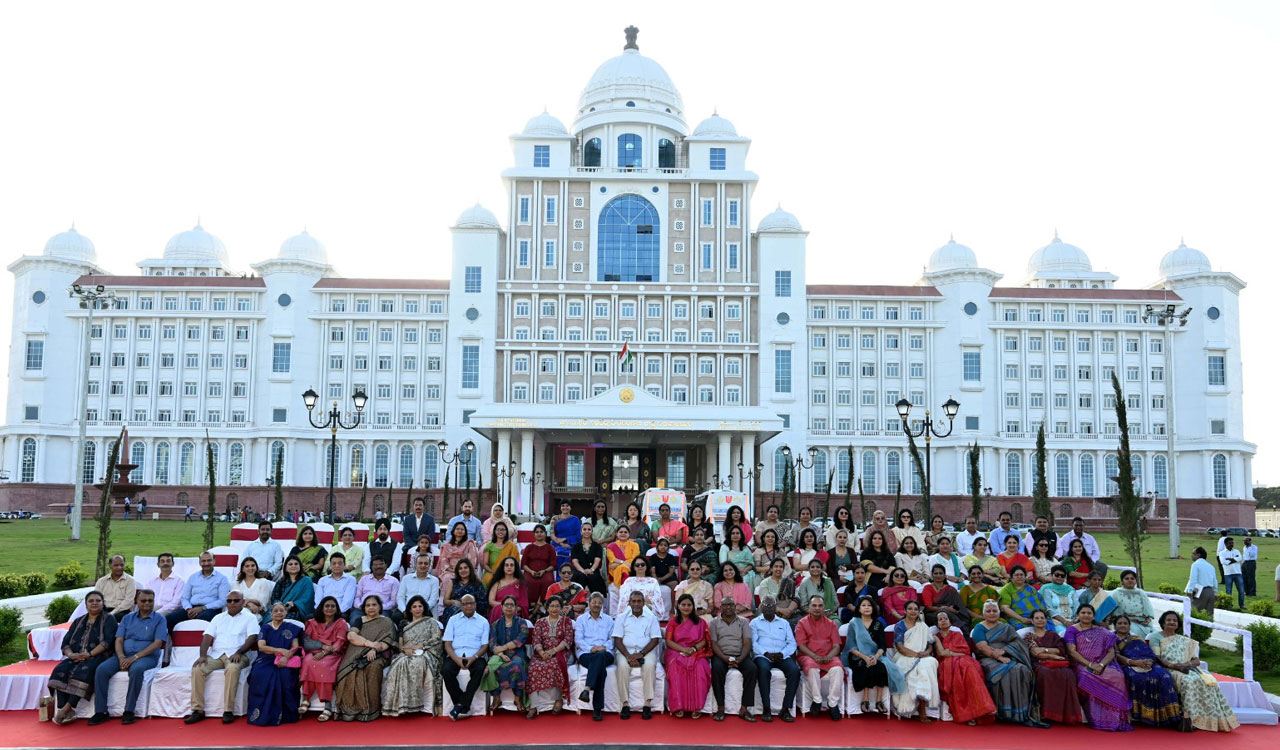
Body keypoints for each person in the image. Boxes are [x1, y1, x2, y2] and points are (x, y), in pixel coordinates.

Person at [1150, 611, 1240, 732]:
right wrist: (1175, 666)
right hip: (1168, 668)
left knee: (1208, 681)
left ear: (1178, 624)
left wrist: (1186, 665)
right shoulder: (1156, 637)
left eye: (1175, 620)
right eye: (1169, 620)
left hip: (1186, 668)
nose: (1172, 622)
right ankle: (1190, 719)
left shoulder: (1183, 640)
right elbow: (1157, 658)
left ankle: (1209, 719)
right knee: (1189, 681)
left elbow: (1196, 660)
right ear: (1162, 622)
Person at [88, 589, 167, 726]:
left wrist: (134, 657)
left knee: (136, 670)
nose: (147, 603)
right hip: (123, 655)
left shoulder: (159, 619)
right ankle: (101, 711)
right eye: (143, 600)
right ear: (137, 601)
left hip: (146, 657)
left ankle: (129, 710)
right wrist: (121, 657)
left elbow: (157, 643)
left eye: (150, 601)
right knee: (101, 669)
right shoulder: (127, 618)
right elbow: (119, 640)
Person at [184, 591, 259, 724]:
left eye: (236, 600)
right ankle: (198, 710)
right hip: (217, 655)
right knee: (198, 668)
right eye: (229, 601)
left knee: (232, 668)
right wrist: (202, 655)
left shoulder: (250, 618)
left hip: (238, 655)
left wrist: (239, 652)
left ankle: (228, 710)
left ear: (243, 602)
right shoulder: (218, 618)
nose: (232, 603)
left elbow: (252, 637)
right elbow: (207, 637)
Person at [971, 600, 1045, 728]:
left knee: (1022, 670)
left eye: (994, 610)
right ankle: (1003, 713)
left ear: (999, 613)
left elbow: (1018, 643)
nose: (992, 613)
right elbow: (983, 647)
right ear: (983, 614)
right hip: (988, 659)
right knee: (1004, 671)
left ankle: (1019, 713)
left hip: (1008, 655)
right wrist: (999, 657)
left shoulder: (1006, 627)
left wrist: (1004, 651)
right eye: (988, 611)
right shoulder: (979, 628)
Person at [48, 591, 118, 725]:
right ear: (86, 605)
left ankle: (67, 708)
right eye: (91, 601)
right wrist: (71, 655)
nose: (94, 603)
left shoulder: (109, 619)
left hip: (98, 656)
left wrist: (89, 654)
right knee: (60, 670)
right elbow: (66, 642)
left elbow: (107, 642)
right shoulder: (78, 621)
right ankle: (64, 708)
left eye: (98, 601)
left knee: (84, 671)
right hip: (76, 656)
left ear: (103, 603)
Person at [1065, 603, 1132, 732]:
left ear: (1093, 616)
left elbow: (1111, 652)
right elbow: (1072, 651)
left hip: (1103, 663)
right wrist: (1090, 664)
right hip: (1082, 664)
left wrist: (1101, 665)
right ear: (1077, 614)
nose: (1086, 615)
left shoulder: (1102, 631)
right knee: (1088, 676)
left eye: (1089, 613)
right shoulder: (1072, 630)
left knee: (1117, 676)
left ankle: (1116, 719)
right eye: (1083, 613)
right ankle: (1098, 719)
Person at [1113, 614, 1184, 729]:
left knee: (1164, 675)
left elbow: (1148, 652)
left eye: (1125, 623)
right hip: (1127, 664)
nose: (1123, 625)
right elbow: (1116, 656)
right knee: (1137, 677)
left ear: (1129, 626)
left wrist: (1149, 662)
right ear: (1115, 626)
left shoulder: (1136, 638)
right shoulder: (1112, 638)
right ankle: (1146, 715)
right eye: (1119, 623)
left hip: (1147, 662)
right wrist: (1134, 662)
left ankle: (1171, 716)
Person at [333, 595, 395, 722]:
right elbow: (351, 636)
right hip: (356, 651)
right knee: (348, 671)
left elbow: (387, 641)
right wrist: (370, 644)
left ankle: (370, 710)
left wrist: (374, 649)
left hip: (379, 654)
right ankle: (348, 709)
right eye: (368, 605)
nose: (371, 607)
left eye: (374, 605)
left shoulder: (387, 622)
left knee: (373, 667)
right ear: (364, 608)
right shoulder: (359, 620)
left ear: (380, 607)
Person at [933, 610, 995, 725]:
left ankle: (981, 709)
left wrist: (951, 653)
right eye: (940, 619)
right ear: (937, 624)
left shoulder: (957, 634)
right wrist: (954, 654)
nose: (943, 621)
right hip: (946, 664)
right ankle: (973, 712)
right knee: (962, 672)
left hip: (964, 660)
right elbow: (941, 653)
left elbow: (965, 651)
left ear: (950, 622)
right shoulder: (936, 637)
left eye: (945, 618)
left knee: (969, 669)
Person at [246, 602, 302, 726]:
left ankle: (287, 715)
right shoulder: (265, 627)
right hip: (266, 659)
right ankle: (262, 714)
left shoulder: (292, 628)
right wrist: (279, 650)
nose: (278, 613)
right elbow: (261, 646)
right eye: (275, 611)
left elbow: (295, 647)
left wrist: (285, 658)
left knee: (286, 674)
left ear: (286, 613)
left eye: (281, 610)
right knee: (259, 674)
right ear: (271, 614)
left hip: (286, 659)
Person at [1024, 608, 1083, 725]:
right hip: (1038, 663)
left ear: (1046, 620)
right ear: (1032, 621)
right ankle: (1046, 714)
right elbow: (1036, 653)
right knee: (1045, 673)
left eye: (1042, 618)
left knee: (1068, 674)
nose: (1040, 620)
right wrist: (1053, 655)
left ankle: (1066, 714)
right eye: (1037, 618)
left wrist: (1045, 650)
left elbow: (1060, 650)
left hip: (1057, 663)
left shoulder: (1053, 635)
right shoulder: (1029, 636)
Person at [612, 590, 661, 719]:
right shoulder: (621, 617)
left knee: (649, 666)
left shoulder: (651, 618)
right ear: (629, 603)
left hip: (645, 651)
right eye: (634, 601)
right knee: (622, 666)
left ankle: (647, 704)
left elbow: (655, 640)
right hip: (625, 651)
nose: (636, 604)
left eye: (639, 601)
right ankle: (625, 704)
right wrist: (628, 656)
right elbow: (618, 640)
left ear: (644, 603)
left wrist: (641, 654)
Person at [751, 597, 801, 722]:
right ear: (761, 607)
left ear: (775, 608)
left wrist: (782, 654)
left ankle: (786, 709)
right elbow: (753, 643)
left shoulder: (784, 623)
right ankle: (766, 708)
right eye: (766, 606)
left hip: (781, 655)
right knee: (763, 670)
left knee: (795, 671)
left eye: (771, 606)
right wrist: (765, 653)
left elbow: (792, 643)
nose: (768, 609)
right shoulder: (754, 623)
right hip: (763, 655)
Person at [842, 595, 894, 714]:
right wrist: (865, 657)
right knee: (866, 667)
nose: (866, 608)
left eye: (869, 605)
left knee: (881, 668)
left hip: (875, 656)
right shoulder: (854, 623)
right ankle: (865, 700)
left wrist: (875, 656)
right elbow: (851, 646)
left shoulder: (878, 624)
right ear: (859, 608)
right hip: (857, 656)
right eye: (863, 605)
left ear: (873, 608)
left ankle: (879, 701)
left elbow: (882, 645)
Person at [709, 593, 757, 722]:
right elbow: (714, 643)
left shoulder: (743, 621)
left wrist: (740, 659)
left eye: (730, 605)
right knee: (716, 669)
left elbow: (747, 642)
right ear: (720, 607)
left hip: (740, 655)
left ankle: (744, 708)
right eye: (725, 605)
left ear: (735, 607)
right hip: (721, 655)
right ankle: (720, 707)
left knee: (752, 669)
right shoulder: (714, 622)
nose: (728, 607)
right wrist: (724, 658)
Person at [795, 595, 843, 721]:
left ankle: (833, 703)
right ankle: (817, 700)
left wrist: (829, 656)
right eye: (814, 605)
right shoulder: (802, 623)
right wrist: (814, 656)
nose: (817, 608)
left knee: (838, 669)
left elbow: (836, 646)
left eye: (820, 605)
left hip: (828, 655)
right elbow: (801, 645)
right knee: (812, 667)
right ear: (809, 608)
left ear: (824, 608)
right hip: (808, 656)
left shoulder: (831, 624)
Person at [890, 600, 939, 723]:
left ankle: (922, 707)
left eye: (915, 609)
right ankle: (916, 707)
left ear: (918, 612)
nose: (913, 611)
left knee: (930, 662)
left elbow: (930, 645)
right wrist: (916, 655)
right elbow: (900, 647)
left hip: (922, 656)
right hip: (904, 657)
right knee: (919, 670)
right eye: (910, 609)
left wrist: (926, 653)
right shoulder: (900, 626)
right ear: (905, 611)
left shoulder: (923, 626)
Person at [663, 593, 711, 718]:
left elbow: (704, 640)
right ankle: (678, 706)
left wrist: (693, 649)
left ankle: (697, 706)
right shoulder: (673, 622)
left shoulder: (700, 622)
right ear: (678, 606)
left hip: (696, 651)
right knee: (676, 667)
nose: (686, 607)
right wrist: (683, 649)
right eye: (683, 605)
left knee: (699, 667)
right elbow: (669, 641)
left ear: (693, 606)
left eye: (689, 605)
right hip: (676, 650)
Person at [300, 596, 348, 719]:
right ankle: (306, 699)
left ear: (337, 609)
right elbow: (306, 642)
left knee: (324, 665)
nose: (329, 608)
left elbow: (339, 644)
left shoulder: (341, 623)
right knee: (308, 661)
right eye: (327, 606)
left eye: (333, 606)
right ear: (321, 608)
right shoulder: (312, 622)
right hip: (315, 651)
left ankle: (327, 706)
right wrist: (322, 646)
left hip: (333, 654)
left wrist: (325, 652)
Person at [526, 595, 574, 717]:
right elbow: (536, 639)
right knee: (532, 667)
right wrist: (541, 652)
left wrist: (553, 651)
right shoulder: (540, 622)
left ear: (561, 608)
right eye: (552, 606)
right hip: (541, 653)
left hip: (560, 652)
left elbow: (568, 640)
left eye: (557, 606)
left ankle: (559, 699)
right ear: (547, 608)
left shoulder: (566, 621)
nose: (554, 609)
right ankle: (534, 705)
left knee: (555, 664)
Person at [484, 595, 529, 714]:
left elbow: (520, 639)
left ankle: (518, 698)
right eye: (506, 605)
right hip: (500, 655)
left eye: (511, 605)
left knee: (517, 665)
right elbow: (492, 643)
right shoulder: (496, 624)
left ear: (516, 607)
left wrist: (502, 648)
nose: (509, 607)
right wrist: (501, 654)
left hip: (517, 653)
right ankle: (496, 698)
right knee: (491, 666)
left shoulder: (521, 622)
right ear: (502, 607)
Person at [574, 593, 614, 721]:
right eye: (594, 602)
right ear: (589, 603)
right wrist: (591, 649)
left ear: (602, 605)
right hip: (586, 653)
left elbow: (612, 639)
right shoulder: (581, 620)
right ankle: (597, 708)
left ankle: (587, 688)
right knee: (600, 667)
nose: (597, 605)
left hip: (605, 652)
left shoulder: (609, 620)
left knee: (600, 657)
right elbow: (578, 640)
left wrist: (603, 647)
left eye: (599, 602)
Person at [182, 551, 232, 623]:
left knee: (201, 618)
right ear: (200, 563)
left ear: (214, 561)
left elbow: (223, 601)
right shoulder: (193, 577)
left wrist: (203, 608)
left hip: (211, 609)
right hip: (191, 608)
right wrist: (188, 609)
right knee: (170, 618)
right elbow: (185, 598)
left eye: (209, 560)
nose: (206, 563)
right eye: (203, 561)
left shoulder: (222, 578)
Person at [353, 557, 400, 625]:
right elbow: (357, 597)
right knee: (354, 621)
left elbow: (394, 602)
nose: (378, 566)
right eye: (375, 564)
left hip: (383, 610)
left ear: (386, 566)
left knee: (382, 624)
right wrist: (361, 606)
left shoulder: (393, 581)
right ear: (371, 567)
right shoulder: (364, 579)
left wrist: (378, 607)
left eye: (381, 564)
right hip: (362, 609)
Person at [1110, 570, 1156, 639]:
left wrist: (1147, 620)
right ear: (1122, 581)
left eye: (1132, 578)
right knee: (1133, 632)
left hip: (1143, 622)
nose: (1130, 580)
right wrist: (1131, 619)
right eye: (1127, 579)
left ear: (1135, 581)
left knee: (1156, 634)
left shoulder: (1141, 592)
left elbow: (1148, 610)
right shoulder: (1116, 593)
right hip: (1126, 622)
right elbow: (1115, 614)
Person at [617, 556, 666, 620]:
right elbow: (625, 596)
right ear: (634, 567)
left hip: (649, 607)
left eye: (642, 564)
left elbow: (657, 596)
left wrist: (646, 601)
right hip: (632, 606)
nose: (640, 566)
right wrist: (642, 600)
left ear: (646, 566)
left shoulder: (653, 581)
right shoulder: (629, 581)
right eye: (637, 565)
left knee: (646, 607)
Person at [436, 522, 481, 590]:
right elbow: (443, 560)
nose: (459, 531)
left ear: (465, 532)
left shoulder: (469, 544)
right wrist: (452, 570)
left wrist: (462, 570)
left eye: (462, 529)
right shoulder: (447, 546)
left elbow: (473, 560)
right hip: (451, 571)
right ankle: (447, 597)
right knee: (447, 578)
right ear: (453, 531)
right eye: (457, 529)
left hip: (466, 570)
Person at [521, 524, 557, 610]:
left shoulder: (550, 548)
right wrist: (531, 571)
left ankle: (545, 604)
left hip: (546, 572)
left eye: (541, 532)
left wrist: (544, 571)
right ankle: (530, 606)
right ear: (534, 534)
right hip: (530, 571)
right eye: (537, 532)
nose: (539, 534)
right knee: (528, 581)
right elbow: (523, 564)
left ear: (545, 533)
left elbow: (553, 565)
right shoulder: (529, 547)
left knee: (548, 580)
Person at [270, 556, 315, 623]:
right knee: (270, 621)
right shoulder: (281, 582)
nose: (293, 566)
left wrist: (294, 604)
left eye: (296, 564)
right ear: (285, 568)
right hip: (280, 609)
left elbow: (307, 599)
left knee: (289, 619)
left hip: (297, 611)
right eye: (290, 564)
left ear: (300, 566)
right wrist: (280, 605)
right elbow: (274, 597)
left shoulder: (306, 581)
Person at [921, 563, 967, 629]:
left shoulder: (951, 589)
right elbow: (929, 608)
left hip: (951, 614)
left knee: (949, 615)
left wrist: (951, 609)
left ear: (944, 575)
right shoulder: (928, 588)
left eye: (941, 573)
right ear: (932, 575)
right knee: (945, 614)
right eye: (936, 573)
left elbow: (958, 609)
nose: (938, 575)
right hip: (933, 615)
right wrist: (943, 608)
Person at [442, 559, 488, 623]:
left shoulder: (477, 583)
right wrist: (453, 602)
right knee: (457, 612)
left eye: (465, 568)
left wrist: (468, 606)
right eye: (460, 568)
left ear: (470, 569)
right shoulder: (452, 582)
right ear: (457, 571)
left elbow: (482, 603)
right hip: (454, 610)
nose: (463, 570)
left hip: (472, 610)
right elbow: (445, 601)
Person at [148, 553, 187, 630]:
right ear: (158, 565)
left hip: (170, 612)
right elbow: (146, 599)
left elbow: (176, 603)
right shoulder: (151, 582)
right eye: (162, 561)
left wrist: (156, 614)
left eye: (168, 561)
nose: (165, 563)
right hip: (152, 610)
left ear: (173, 564)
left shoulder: (179, 581)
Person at [399, 552, 442, 619]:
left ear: (429, 566)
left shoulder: (434, 580)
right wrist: (404, 610)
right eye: (420, 563)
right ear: (415, 565)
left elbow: (433, 600)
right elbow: (400, 597)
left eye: (426, 563)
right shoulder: (406, 578)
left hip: (425, 610)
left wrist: (420, 610)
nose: (423, 565)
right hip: (407, 610)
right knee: (396, 617)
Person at [315, 553, 357, 620]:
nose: (337, 566)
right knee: (309, 618)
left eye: (340, 563)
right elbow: (318, 600)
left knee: (342, 618)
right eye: (334, 563)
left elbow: (347, 602)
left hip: (341, 612)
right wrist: (323, 612)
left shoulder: (350, 580)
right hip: (323, 611)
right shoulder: (322, 580)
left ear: (344, 565)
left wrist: (335, 613)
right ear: (330, 565)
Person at [486, 556, 528, 623]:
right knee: (498, 610)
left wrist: (511, 608)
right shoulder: (497, 583)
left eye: (511, 565)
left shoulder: (520, 584)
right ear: (503, 567)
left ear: (515, 567)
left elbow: (524, 604)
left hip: (515, 612)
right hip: (498, 611)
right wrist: (505, 606)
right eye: (507, 565)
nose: (509, 567)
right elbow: (491, 601)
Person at [95, 554, 137, 622]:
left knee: (110, 620)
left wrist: (112, 613)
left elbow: (128, 601)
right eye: (116, 565)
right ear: (110, 566)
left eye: (122, 565)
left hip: (123, 611)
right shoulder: (102, 581)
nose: (119, 567)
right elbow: (96, 598)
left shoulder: (130, 581)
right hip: (104, 610)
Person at [721, 524, 759, 593]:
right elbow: (723, 563)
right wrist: (737, 569)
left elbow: (751, 563)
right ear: (729, 535)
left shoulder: (745, 548)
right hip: (730, 572)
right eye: (733, 533)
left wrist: (745, 570)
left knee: (750, 578)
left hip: (746, 572)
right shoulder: (724, 547)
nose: (735, 535)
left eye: (737, 533)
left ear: (741, 535)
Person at [571, 521, 607, 594]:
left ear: (592, 531)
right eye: (584, 529)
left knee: (593, 577)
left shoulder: (597, 546)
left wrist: (591, 570)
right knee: (580, 577)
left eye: (589, 529)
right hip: (579, 571)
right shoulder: (575, 546)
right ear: (581, 531)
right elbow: (575, 562)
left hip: (593, 570)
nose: (587, 531)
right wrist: (583, 571)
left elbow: (597, 561)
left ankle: (597, 599)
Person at [1038, 566, 1075, 633]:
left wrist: (1074, 621)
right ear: (1052, 575)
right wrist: (1064, 621)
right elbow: (1049, 609)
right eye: (1057, 575)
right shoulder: (1047, 589)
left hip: (1073, 621)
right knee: (1065, 633)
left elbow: (1077, 606)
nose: (1059, 577)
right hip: (1056, 621)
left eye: (1062, 576)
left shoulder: (1070, 589)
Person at [482, 525, 520, 589]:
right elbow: (485, 564)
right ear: (494, 531)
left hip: (508, 572)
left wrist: (506, 572)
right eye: (498, 529)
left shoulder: (512, 546)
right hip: (492, 572)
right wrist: (494, 572)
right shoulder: (489, 545)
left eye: (502, 529)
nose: (500, 531)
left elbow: (516, 563)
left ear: (506, 532)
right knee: (488, 579)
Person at [605, 523, 640, 589]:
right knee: (623, 567)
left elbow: (634, 559)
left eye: (625, 532)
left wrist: (618, 564)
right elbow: (612, 559)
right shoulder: (610, 546)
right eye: (621, 532)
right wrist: (623, 563)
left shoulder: (635, 545)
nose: (623, 533)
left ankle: (624, 587)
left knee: (623, 568)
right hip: (614, 569)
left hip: (630, 567)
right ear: (617, 534)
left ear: (629, 534)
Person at [1185, 547, 1218, 615]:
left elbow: (1193, 579)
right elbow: (1215, 581)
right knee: (1209, 615)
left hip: (1199, 591)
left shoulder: (1195, 565)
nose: (1192, 556)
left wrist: (1190, 591)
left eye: (1193, 554)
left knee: (1195, 613)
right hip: (1210, 591)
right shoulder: (1211, 566)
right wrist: (1215, 593)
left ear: (1198, 555)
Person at [549, 500, 581, 569]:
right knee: (559, 553)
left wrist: (566, 539)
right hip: (557, 544)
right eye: (563, 506)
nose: (565, 507)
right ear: (560, 507)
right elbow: (552, 534)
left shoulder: (575, 519)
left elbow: (578, 536)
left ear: (570, 507)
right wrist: (561, 543)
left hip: (572, 545)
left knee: (570, 554)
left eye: (567, 506)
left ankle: (568, 574)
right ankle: (559, 575)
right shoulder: (555, 518)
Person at [1219, 537, 1245, 609]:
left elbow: (1240, 558)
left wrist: (1230, 559)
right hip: (1228, 574)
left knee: (1241, 590)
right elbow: (1223, 562)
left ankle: (1242, 605)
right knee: (1228, 591)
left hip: (1238, 573)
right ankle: (1229, 604)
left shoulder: (1236, 551)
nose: (1232, 544)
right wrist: (1235, 559)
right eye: (1230, 543)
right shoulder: (1222, 553)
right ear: (1225, 544)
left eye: (1232, 543)